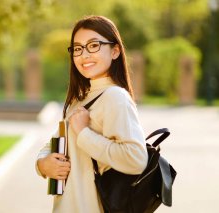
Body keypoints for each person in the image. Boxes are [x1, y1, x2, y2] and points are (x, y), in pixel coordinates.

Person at [35, 15, 148, 212]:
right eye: (78, 48)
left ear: (115, 51)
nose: (84, 54)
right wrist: (43, 164)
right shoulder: (80, 98)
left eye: (93, 45)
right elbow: (54, 143)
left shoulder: (115, 97)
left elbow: (136, 159)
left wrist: (84, 133)